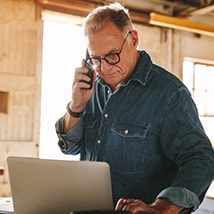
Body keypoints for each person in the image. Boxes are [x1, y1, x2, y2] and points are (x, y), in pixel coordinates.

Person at [55, 2, 214, 214]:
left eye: (112, 55)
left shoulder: (169, 94)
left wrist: (162, 207)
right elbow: (70, 147)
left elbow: (201, 160)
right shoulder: (92, 88)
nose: (105, 68)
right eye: (96, 59)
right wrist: (76, 106)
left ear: (134, 39)